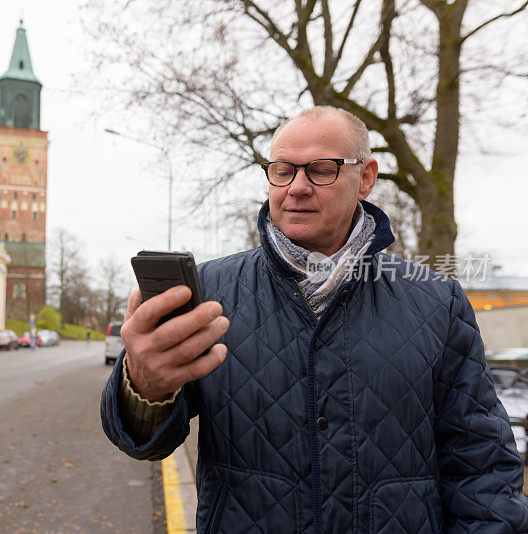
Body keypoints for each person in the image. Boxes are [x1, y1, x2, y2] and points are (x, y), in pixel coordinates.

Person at [101, 106, 528, 532]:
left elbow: (482, 467)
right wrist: (143, 387)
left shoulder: (437, 301)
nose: (297, 187)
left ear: (365, 177)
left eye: (321, 170)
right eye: (283, 170)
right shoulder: (210, 292)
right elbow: (145, 443)